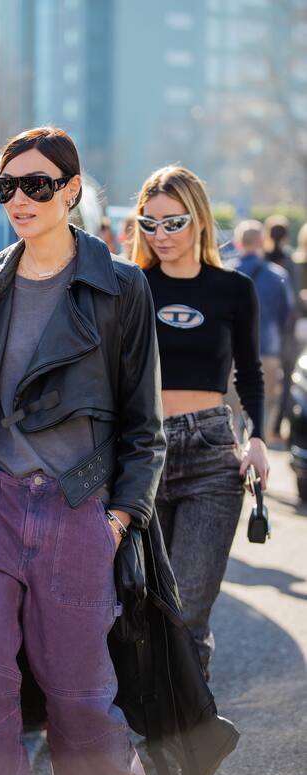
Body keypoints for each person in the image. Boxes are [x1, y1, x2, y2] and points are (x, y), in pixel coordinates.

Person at [0, 126, 166, 775]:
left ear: (71, 189)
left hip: (76, 507)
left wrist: (116, 519)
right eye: (5, 187)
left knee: (81, 698)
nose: (19, 200)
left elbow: (144, 426)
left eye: (36, 184)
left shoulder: (119, 288)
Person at [132, 165, 269, 681]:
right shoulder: (132, 287)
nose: (160, 235)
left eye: (173, 222)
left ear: (200, 220)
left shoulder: (234, 289)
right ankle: (148, 720)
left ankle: (186, 728)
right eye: (149, 224)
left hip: (211, 452)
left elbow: (250, 373)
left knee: (188, 612)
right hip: (142, 453)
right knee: (144, 609)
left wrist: (257, 438)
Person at [231, 220, 293, 443]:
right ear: (262, 242)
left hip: (231, 352)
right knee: (264, 407)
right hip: (268, 348)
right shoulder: (277, 275)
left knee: (231, 412)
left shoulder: (225, 272)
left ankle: (234, 453)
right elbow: (287, 313)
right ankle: (258, 449)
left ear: (238, 242)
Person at [264, 214, 300, 437]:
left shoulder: (262, 260)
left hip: (262, 333)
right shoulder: (289, 262)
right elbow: (292, 300)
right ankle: (277, 426)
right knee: (287, 378)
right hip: (284, 333)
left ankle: (258, 426)